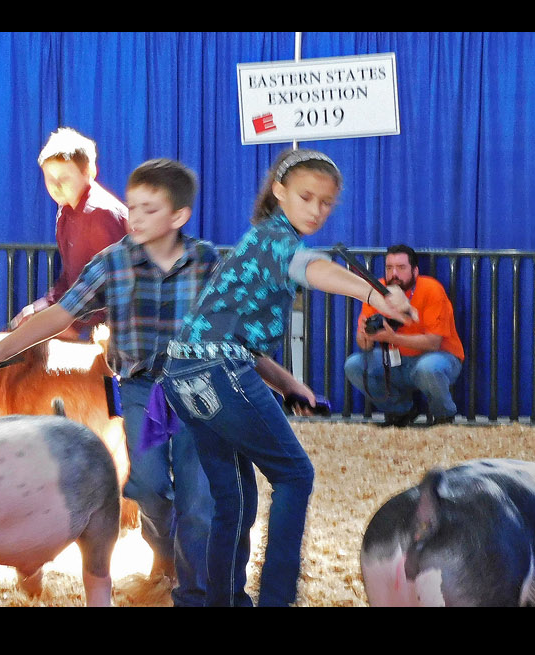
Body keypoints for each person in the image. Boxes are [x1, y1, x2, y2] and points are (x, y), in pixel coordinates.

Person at [161, 148, 417, 607]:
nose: (316, 209)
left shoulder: (255, 243)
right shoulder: (277, 240)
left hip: (183, 375)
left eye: (326, 203)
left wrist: (290, 385)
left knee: (233, 503)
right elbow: (311, 269)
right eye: (306, 197)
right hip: (219, 370)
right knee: (295, 474)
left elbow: (231, 336)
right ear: (278, 192)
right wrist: (375, 295)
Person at [0, 158, 218, 607]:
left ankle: (192, 594)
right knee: (149, 485)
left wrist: (274, 383)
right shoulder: (112, 262)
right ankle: (164, 555)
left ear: (179, 217)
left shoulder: (207, 262)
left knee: (197, 498)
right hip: (141, 389)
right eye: (132, 206)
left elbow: (233, 329)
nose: (133, 218)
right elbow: (62, 312)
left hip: (197, 389)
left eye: (148, 210)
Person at [12, 127, 129, 340]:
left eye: (64, 178)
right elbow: (71, 279)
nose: (56, 186)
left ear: (89, 172)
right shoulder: (64, 212)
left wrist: (66, 324)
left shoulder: (101, 214)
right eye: (49, 178)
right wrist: (41, 307)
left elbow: (115, 291)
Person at [344, 244, 465, 427]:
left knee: (429, 368)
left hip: (439, 356)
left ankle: (444, 418)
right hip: (394, 360)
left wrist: (393, 338)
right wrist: (364, 336)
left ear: (415, 271)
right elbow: (365, 346)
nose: (394, 274)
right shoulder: (376, 290)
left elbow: (434, 342)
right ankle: (400, 411)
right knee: (354, 365)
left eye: (401, 268)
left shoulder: (431, 289)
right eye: (389, 267)